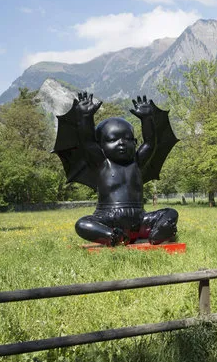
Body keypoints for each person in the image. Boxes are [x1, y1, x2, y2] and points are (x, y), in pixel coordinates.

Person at [55, 92, 179, 246]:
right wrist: (85, 117)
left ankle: (157, 233)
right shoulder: (101, 163)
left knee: (171, 213)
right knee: (82, 224)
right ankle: (112, 236)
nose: (121, 143)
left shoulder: (137, 162)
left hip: (140, 220)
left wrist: (147, 119)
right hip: (107, 218)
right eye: (113, 139)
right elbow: (87, 142)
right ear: (100, 145)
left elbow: (150, 144)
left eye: (127, 139)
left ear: (134, 142)